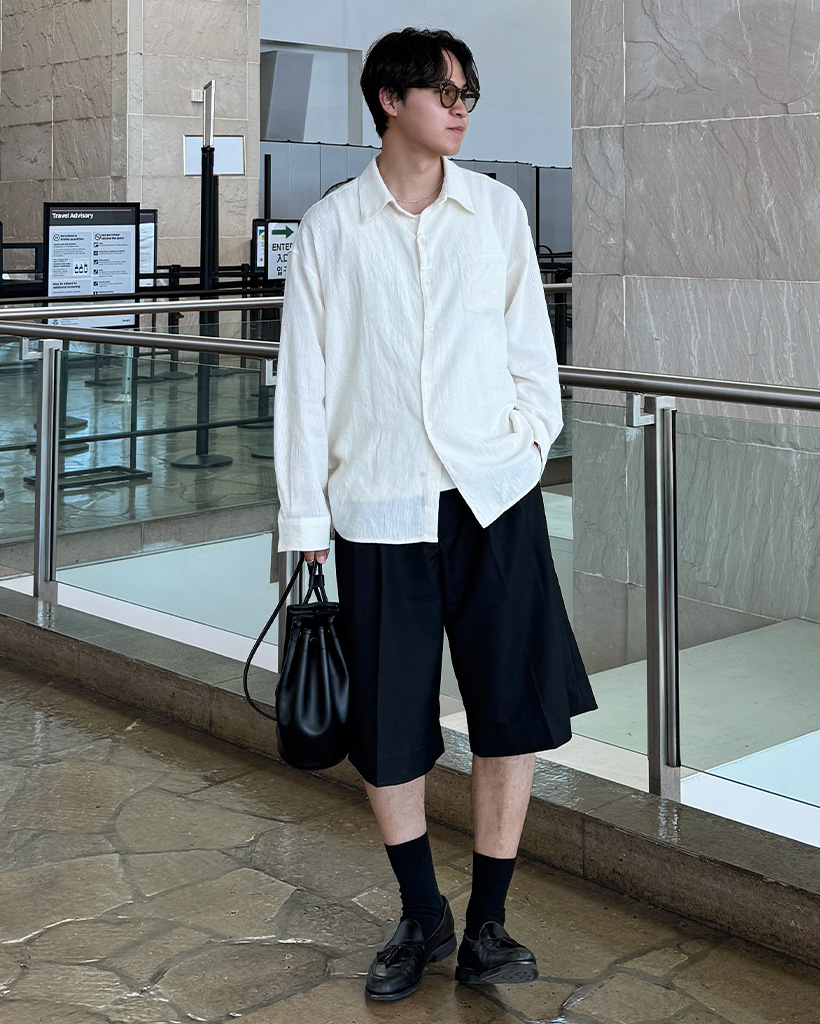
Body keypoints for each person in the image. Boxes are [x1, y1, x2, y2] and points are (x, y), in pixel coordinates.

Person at [273, 26, 597, 1003]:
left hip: (494, 501)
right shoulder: (331, 229)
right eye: (443, 92)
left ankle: (489, 923)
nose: (460, 109)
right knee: (387, 725)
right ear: (389, 99)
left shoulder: (495, 213)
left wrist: (522, 447)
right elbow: (304, 389)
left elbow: (533, 358)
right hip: (378, 509)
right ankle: (423, 913)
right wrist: (304, 525)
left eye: (468, 94)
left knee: (509, 713)